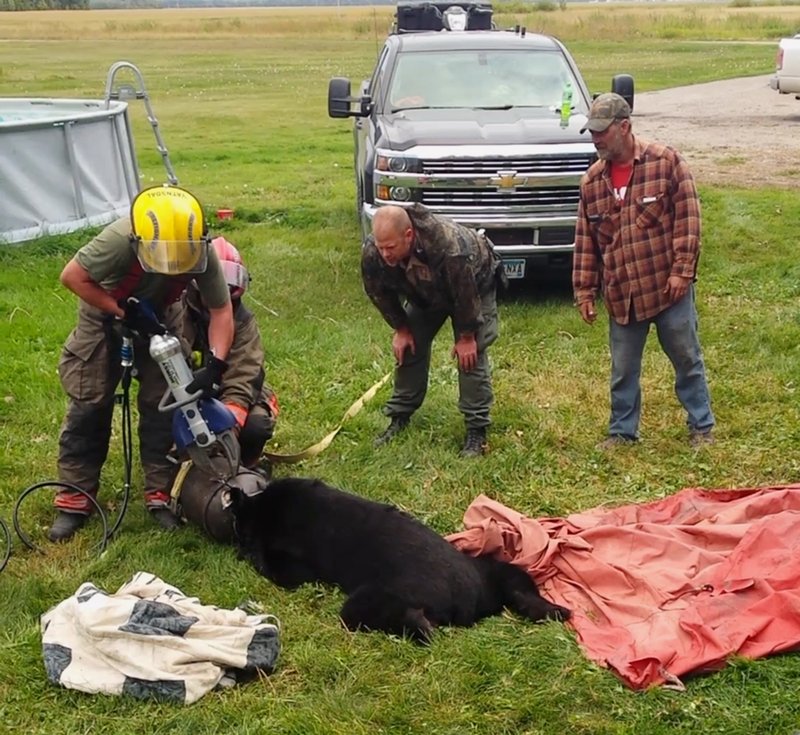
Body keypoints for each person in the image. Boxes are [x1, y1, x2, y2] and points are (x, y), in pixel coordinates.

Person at [48, 185, 235, 542]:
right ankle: (74, 497)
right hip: (105, 310)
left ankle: (160, 494)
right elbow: (72, 276)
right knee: (90, 402)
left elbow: (221, 309)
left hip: (165, 315)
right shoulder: (118, 239)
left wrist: (215, 364)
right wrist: (123, 312)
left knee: (165, 404)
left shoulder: (202, 249)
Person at [573, 92, 715, 449]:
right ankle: (622, 432)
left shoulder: (665, 162)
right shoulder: (591, 182)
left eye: (602, 131)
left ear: (625, 126)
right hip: (623, 294)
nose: (596, 139)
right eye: (592, 132)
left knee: (686, 358)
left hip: (668, 289)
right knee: (623, 370)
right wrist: (585, 290)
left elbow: (689, 219)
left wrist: (682, 271)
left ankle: (701, 425)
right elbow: (586, 240)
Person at [361, 203, 504, 458]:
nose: (385, 254)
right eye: (381, 247)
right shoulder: (374, 251)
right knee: (410, 346)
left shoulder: (447, 246)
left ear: (408, 235)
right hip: (426, 290)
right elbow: (378, 292)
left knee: (470, 355)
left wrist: (467, 336)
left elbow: (465, 293)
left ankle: (476, 430)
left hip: (474, 284)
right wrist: (402, 328)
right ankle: (400, 417)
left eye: (390, 248)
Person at [178, 236, 279, 470]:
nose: (221, 292)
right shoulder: (178, 312)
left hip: (229, 390)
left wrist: (226, 428)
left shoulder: (242, 321)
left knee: (256, 425)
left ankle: (244, 463)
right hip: (186, 395)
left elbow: (244, 374)